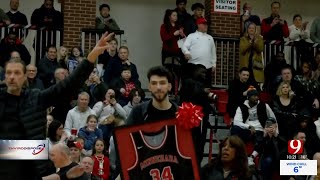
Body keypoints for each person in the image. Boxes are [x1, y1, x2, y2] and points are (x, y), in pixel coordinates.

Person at [0, 31, 114, 180]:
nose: (12, 77)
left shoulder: (35, 97)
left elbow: (67, 85)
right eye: (8, 73)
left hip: (34, 170)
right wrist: (39, 150)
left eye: (16, 73)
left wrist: (91, 57)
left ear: (24, 77)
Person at [231, 87, 277, 166]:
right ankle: (237, 156)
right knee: (234, 129)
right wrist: (249, 127)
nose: (257, 97)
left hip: (260, 129)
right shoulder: (241, 107)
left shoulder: (264, 105)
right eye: (254, 96)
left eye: (257, 96)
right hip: (247, 129)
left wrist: (274, 131)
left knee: (264, 138)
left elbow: (273, 118)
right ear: (248, 97)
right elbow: (236, 122)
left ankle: (251, 158)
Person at [182, 17, 216, 87]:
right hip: (194, 66)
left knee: (206, 87)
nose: (206, 26)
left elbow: (213, 52)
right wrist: (186, 52)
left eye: (207, 24)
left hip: (207, 67)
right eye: (204, 24)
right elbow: (184, 46)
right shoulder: (191, 36)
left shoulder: (210, 37)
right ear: (198, 25)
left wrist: (214, 64)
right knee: (193, 87)